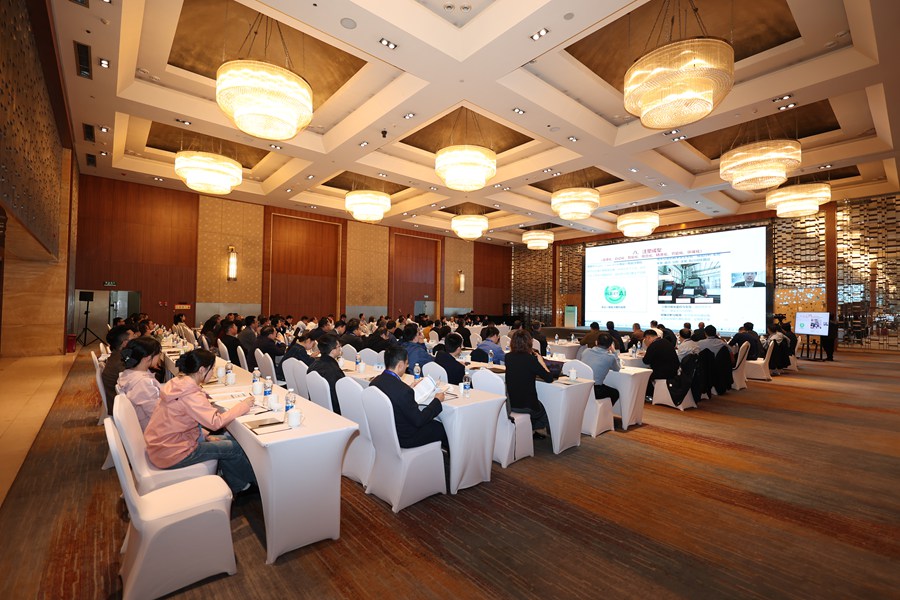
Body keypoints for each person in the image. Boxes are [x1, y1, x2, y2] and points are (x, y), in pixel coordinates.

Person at [144, 349, 256, 495]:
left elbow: (182, 420)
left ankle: (239, 484)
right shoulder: (191, 395)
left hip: (163, 446)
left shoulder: (176, 384)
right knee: (235, 447)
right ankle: (253, 484)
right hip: (174, 453)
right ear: (202, 370)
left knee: (226, 440)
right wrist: (243, 406)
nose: (213, 373)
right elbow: (216, 422)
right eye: (212, 369)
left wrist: (203, 436)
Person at [370, 345, 447, 449]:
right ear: (400, 365)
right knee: (440, 427)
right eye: (407, 363)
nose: (408, 366)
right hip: (405, 438)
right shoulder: (403, 391)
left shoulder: (375, 382)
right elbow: (419, 420)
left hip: (385, 432)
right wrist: (437, 401)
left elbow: (394, 392)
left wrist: (409, 388)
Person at [503, 329, 553, 439]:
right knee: (546, 409)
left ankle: (531, 430)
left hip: (511, 404)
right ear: (529, 342)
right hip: (527, 406)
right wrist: (541, 362)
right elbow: (549, 378)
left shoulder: (508, 357)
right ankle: (546, 435)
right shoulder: (531, 360)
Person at [117, 336, 162, 430]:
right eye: (159, 354)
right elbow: (158, 414)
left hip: (143, 423)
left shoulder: (128, 373)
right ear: (148, 358)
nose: (160, 357)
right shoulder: (144, 383)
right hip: (153, 429)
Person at [307, 334, 345, 413]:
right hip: (334, 410)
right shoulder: (334, 371)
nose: (340, 349)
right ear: (332, 350)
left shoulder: (313, 365)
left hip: (315, 405)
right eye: (339, 346)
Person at [102, 325, 134, 414]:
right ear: (125, 343)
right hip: (122, 409)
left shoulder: (117, 356)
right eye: (133, 338)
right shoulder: (120, 363)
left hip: (121, 402)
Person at [581, 333, 621, 404]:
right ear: (610, 346)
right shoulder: (610, 357)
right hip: (596, 390)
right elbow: (617, 368)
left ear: (596, 342)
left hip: (582, 386)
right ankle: (605, 409)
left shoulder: (586, 351)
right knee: (615, 393)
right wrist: (614, 352)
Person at [641, 329, 679, 398]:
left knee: (644, 375)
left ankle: (649, 395)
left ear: (648, 337)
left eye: (645, 340)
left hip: (662, 373)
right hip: (674, 371)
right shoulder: (666, 341)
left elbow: (646, 361)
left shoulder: (653, 345)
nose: (645, 343)